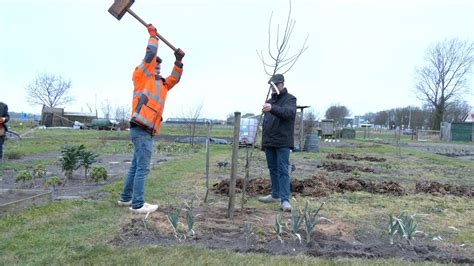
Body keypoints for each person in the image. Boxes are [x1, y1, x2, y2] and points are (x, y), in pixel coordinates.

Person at [118, 24, 185, 213]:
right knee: (143, 168)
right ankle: (137, 204)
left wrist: (178, 61)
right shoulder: (141, 75)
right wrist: (153, 36)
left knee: (136, 165)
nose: (157, 68)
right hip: (140, 128)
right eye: (155, 65)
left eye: (158, 67)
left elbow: (175, 78)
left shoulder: (162, 84)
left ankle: (125, 198)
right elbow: (149, 55)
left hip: (146, 130)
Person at [258, 74, 296, 212]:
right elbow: (267, 123)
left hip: (282, 141)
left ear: (282, 84)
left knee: (283, 170)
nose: (272, 88)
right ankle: (275, 195)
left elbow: (289, 114)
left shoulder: (290, 99)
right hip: (270, 142)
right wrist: (264, 143)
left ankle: (285, 200)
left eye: (274, 85)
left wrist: (272, 108)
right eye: (271, 86)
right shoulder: (269, 101)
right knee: (272, 169)